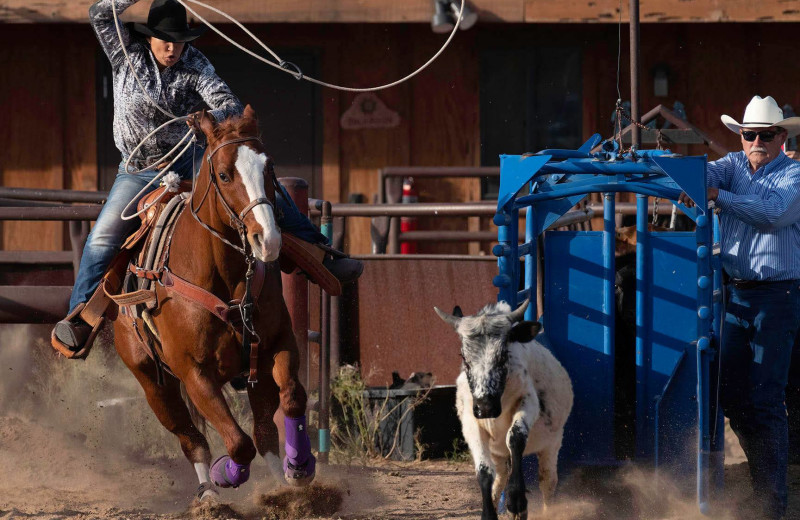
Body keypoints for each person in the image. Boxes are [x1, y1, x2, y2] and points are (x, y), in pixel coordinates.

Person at [54, 0, 363, 350]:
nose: (172, 49)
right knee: (101, 239)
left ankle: (322, 256)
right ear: (149, 37)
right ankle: (78, 318)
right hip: (138, 170)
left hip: (189, 161)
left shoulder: (195, 63)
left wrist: (203, 116)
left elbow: (229, 104)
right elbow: (99, 13)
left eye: (179, 41)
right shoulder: (127, 55)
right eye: (164, 40)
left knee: (262, 194)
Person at [679, 95, 800, 519]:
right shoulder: (730, 165)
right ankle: (764, 490)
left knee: (765, 398)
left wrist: (717, 196)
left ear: (782, 136)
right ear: (741, 136)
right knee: (731, 395)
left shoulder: (796, 175)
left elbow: (772, 214)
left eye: (766, 135)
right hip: (737, 294)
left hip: (777, 295)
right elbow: (694, 177)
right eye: (750, 134)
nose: (757, 141)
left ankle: (773, 500)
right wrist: (670, 166)